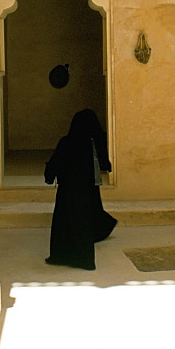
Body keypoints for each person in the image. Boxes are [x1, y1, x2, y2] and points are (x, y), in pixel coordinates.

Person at [44, 109, 117, 270]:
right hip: (86, 190)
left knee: (65, 222)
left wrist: (49, 177)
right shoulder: (91, 143)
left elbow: (55, 163)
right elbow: (102, 161)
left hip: (67, 192)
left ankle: (61, 255)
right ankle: (83, 259)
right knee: (83, 222)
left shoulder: (67, 142)